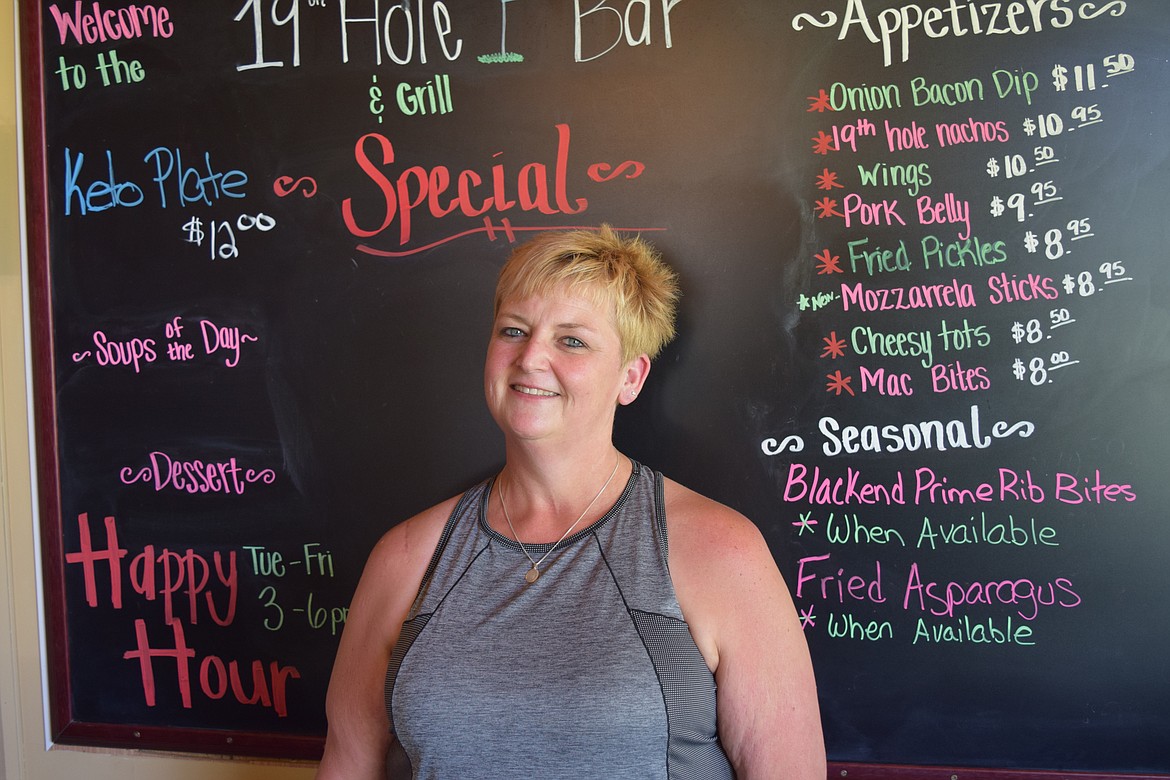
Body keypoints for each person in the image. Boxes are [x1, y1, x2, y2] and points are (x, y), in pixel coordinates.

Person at [316, 226, 825, 779]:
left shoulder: (720, 552)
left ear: (630, 377)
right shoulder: (405, 558)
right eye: (514, 330)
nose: (531, 358)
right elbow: (348, 764)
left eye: (572, 340)